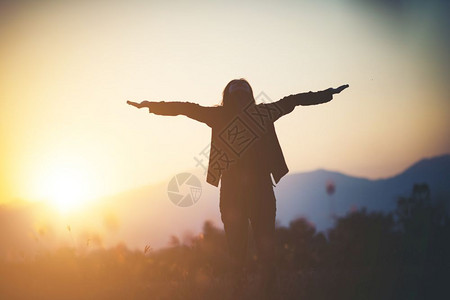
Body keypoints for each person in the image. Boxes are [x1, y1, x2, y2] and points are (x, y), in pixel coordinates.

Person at [127, 79, 349, 297]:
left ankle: (254, 291)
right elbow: (293, 100)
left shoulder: (228, 114)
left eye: (243, 94)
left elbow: (293, 100)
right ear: (231, 97)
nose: (241, 99)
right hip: (247, 192)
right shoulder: (255, 113)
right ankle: (248, 291)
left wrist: (327, 94)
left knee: (253, 250)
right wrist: (152, 106)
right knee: (250, 250)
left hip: (245, 192)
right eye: (238, 94)